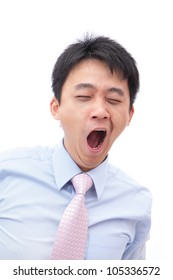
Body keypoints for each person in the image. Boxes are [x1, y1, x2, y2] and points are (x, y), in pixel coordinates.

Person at [0, 34, 152, 260]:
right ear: (56, 107)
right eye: (84, 96)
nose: (100, 111)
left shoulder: (136, 202)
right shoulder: (7, 173)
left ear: (129, 115)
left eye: (113, 100)